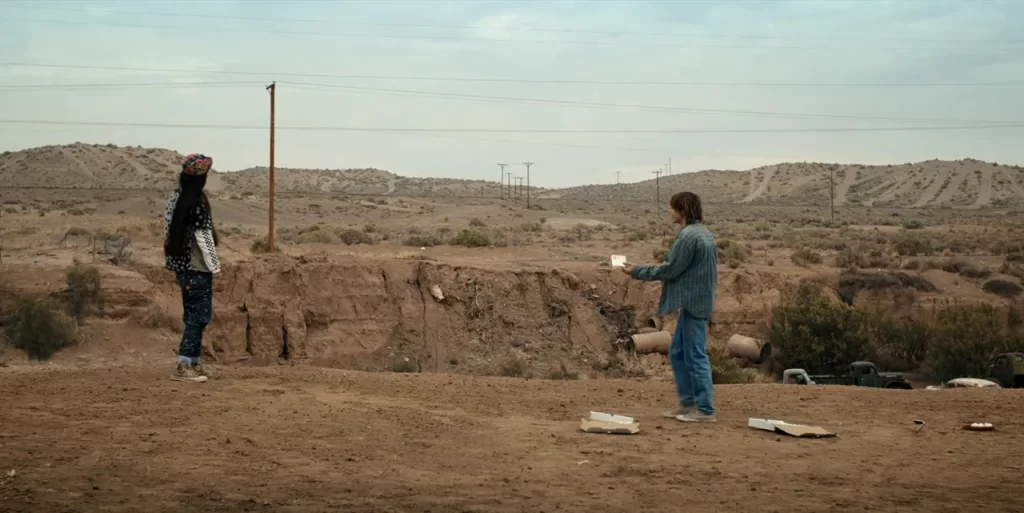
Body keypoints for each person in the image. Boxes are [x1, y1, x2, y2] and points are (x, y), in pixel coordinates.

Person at [621, 191, 718, 423]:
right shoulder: (703, 234)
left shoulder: (688, 237)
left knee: (694, 355)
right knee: (678, 352)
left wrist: (637, 270)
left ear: (682, 210)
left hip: (693, 303)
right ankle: (688, 403)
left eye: (672, 207)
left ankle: (704, 410)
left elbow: (670, 269)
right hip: (698, 301)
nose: (669, 211)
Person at [163, 153, 221, 383]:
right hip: (197, 268)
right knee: (199, 315)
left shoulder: (176, 198)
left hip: (182, 266)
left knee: (193, 315)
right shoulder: (196, 203)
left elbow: (167, 231)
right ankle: (184, 365)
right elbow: (204, 237)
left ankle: (194, 363)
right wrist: (215, 266)